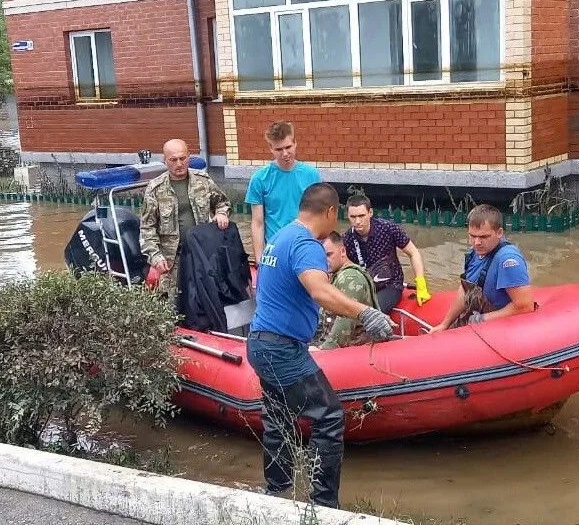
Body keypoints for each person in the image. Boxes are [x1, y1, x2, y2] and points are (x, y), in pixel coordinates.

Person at [246, 183, 393, 508]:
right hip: (281, 350)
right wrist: (365, 312)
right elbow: (321, 292)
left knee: (278, 418)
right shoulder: (306, 244)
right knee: (328, 417)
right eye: (337, 214)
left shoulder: (281, 237)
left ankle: (277, 491)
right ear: (329, 212)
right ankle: (324, 506)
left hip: (260, 343)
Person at [139, 138, 231, 300]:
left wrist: (222, 213)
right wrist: (155, 256)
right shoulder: (155, 189)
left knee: (208, 300)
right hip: (171, 262)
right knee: (174, 305)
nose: (179, 164)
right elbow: (147, 228)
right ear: (165, 160)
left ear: (189, 157)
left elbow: (222, 202)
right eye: (173, 160)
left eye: (182, 158)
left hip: (203, 255)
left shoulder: (203, 181)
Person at [429, 204, 534, 334]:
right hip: (481, 318)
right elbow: (466, 290)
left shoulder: (508, 260)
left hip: (504, 329)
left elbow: (524, 306)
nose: (477, 242)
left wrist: (482, 319)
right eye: (472, 236)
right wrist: (444, 324)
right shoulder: (474, 253)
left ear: (499, 233)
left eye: (484, 237)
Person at [246, 121, 321, 265]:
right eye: (279, 149)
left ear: (295, 143)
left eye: (288, 147)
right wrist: (259, 259)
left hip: (304, 247)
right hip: (275, 250)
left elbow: (318, 217)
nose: (285, 154)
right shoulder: (259, 179)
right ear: (271, 149)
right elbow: (257, 223)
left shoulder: (312, 175)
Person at [342, 194, 431, 314]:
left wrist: (420, 283)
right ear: (347, 216)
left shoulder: (388, 228)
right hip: (364, 288)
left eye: (361, 216)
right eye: (353, 217)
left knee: (370, 314)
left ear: (370, 213)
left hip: (391, 285)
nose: (357, 221)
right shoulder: (347, 239)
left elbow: (413, 252)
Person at [315, 231, 379, 350]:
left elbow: (344, 324)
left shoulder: (351, 278)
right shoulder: (334, 275)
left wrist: (322, 350)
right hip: (333, 342)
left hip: (354, 349)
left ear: (343, 251)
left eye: (329, 255)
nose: (324, 260)